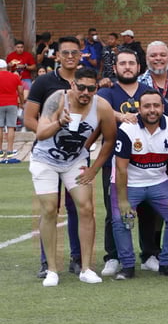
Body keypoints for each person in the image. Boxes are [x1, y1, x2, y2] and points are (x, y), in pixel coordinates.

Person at [32, 67, 117, 286]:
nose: (85, 92)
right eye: (81, 87)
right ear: (73, 85)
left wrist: (94, 168)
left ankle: (86, 268)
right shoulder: (57, 99)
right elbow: (40, 134)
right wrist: (59, 122)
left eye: (91, 88)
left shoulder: (102, 106)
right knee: (50, 209)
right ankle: (51, 270)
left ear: (96, 88)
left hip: (75, 161)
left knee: (86, 208)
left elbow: (109, 139)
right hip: (45, 159)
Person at [24, 36, 89, 278]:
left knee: (80, 207)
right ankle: (46, 262)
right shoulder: (44, 82)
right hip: (48, 154)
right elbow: (30, 117)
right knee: (50, 208)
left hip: (77, 155)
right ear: (57, 56)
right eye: (66, 53)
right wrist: (48, 132)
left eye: (75, 52)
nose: (70, 56)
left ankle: (78, 258)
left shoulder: (87, 81)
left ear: (80, 55)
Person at [97, 48, 161, 278]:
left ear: (138, 67)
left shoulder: (147, 91)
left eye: (131, 63)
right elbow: (100, 109)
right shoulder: (107, 91)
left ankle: (149, 254)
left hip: (145, 161)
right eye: (122, 63)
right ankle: (113, 256)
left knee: (148, 209)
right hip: (115, 161)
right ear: (115, 68)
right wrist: (120, 115)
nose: (127, 67)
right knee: (113, 210)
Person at [111, 89, 168, 279]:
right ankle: (127, 266)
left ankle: (166, 263)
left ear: (163, 107)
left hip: (158, 181)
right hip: (129, 182)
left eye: (156, 106)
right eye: (147, 106)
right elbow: (121, 169)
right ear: (139, 108)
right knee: (120, 220)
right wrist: (123, 200)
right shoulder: (128, 128)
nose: (151, 110)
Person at [0, 59, 23, 163]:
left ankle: (0, 151)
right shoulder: (14, 76)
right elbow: (20, 91)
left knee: (0, 127)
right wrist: (21, 102)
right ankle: (9, 151)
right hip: (12, 103)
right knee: (11, 127)